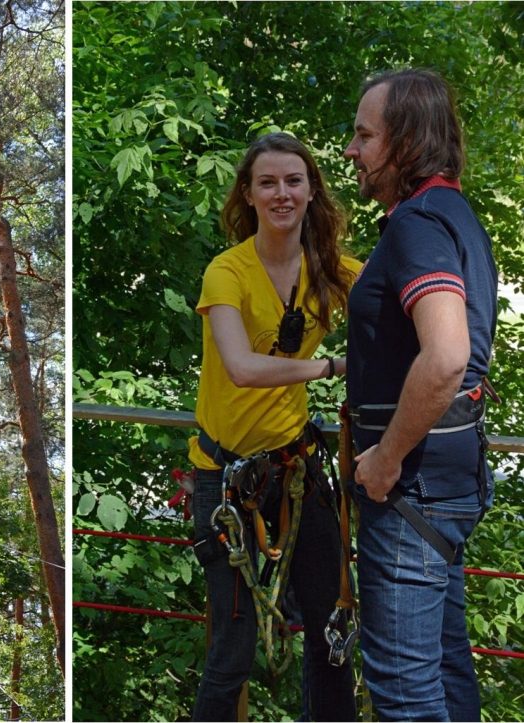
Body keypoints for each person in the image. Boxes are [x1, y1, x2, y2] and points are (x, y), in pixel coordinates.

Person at [188, 132, 360, 721]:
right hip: (226, 477)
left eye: (294, 181)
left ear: (312, 191)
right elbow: (239, 366)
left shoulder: (331, 270)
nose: (282, 193)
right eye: (268, 182)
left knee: (331, 634)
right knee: (232, 653)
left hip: (294, 470)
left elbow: (410, 295)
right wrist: (334, 366)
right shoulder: (227, 271)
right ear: (249, 193)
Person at [344, 68, 497, 721]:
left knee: (406, 693)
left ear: (404, 142)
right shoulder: (453, 214)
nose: (351, 150)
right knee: (443, 673)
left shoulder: (418, 223)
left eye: (364, 135)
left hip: (410, 494)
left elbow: (446, 357)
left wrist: (384, 460)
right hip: (444, 485)